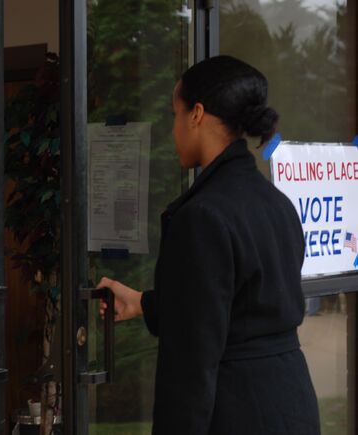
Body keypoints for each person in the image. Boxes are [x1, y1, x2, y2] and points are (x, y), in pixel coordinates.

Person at [98, 55, 320, 435]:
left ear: (197, 114)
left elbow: (192, 363)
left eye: (174, 114)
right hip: (291, 403)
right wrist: (142, 303)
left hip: (236, 411)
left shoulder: (202, 216)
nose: (172, 130)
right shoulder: (277, 203)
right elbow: (238, 306)